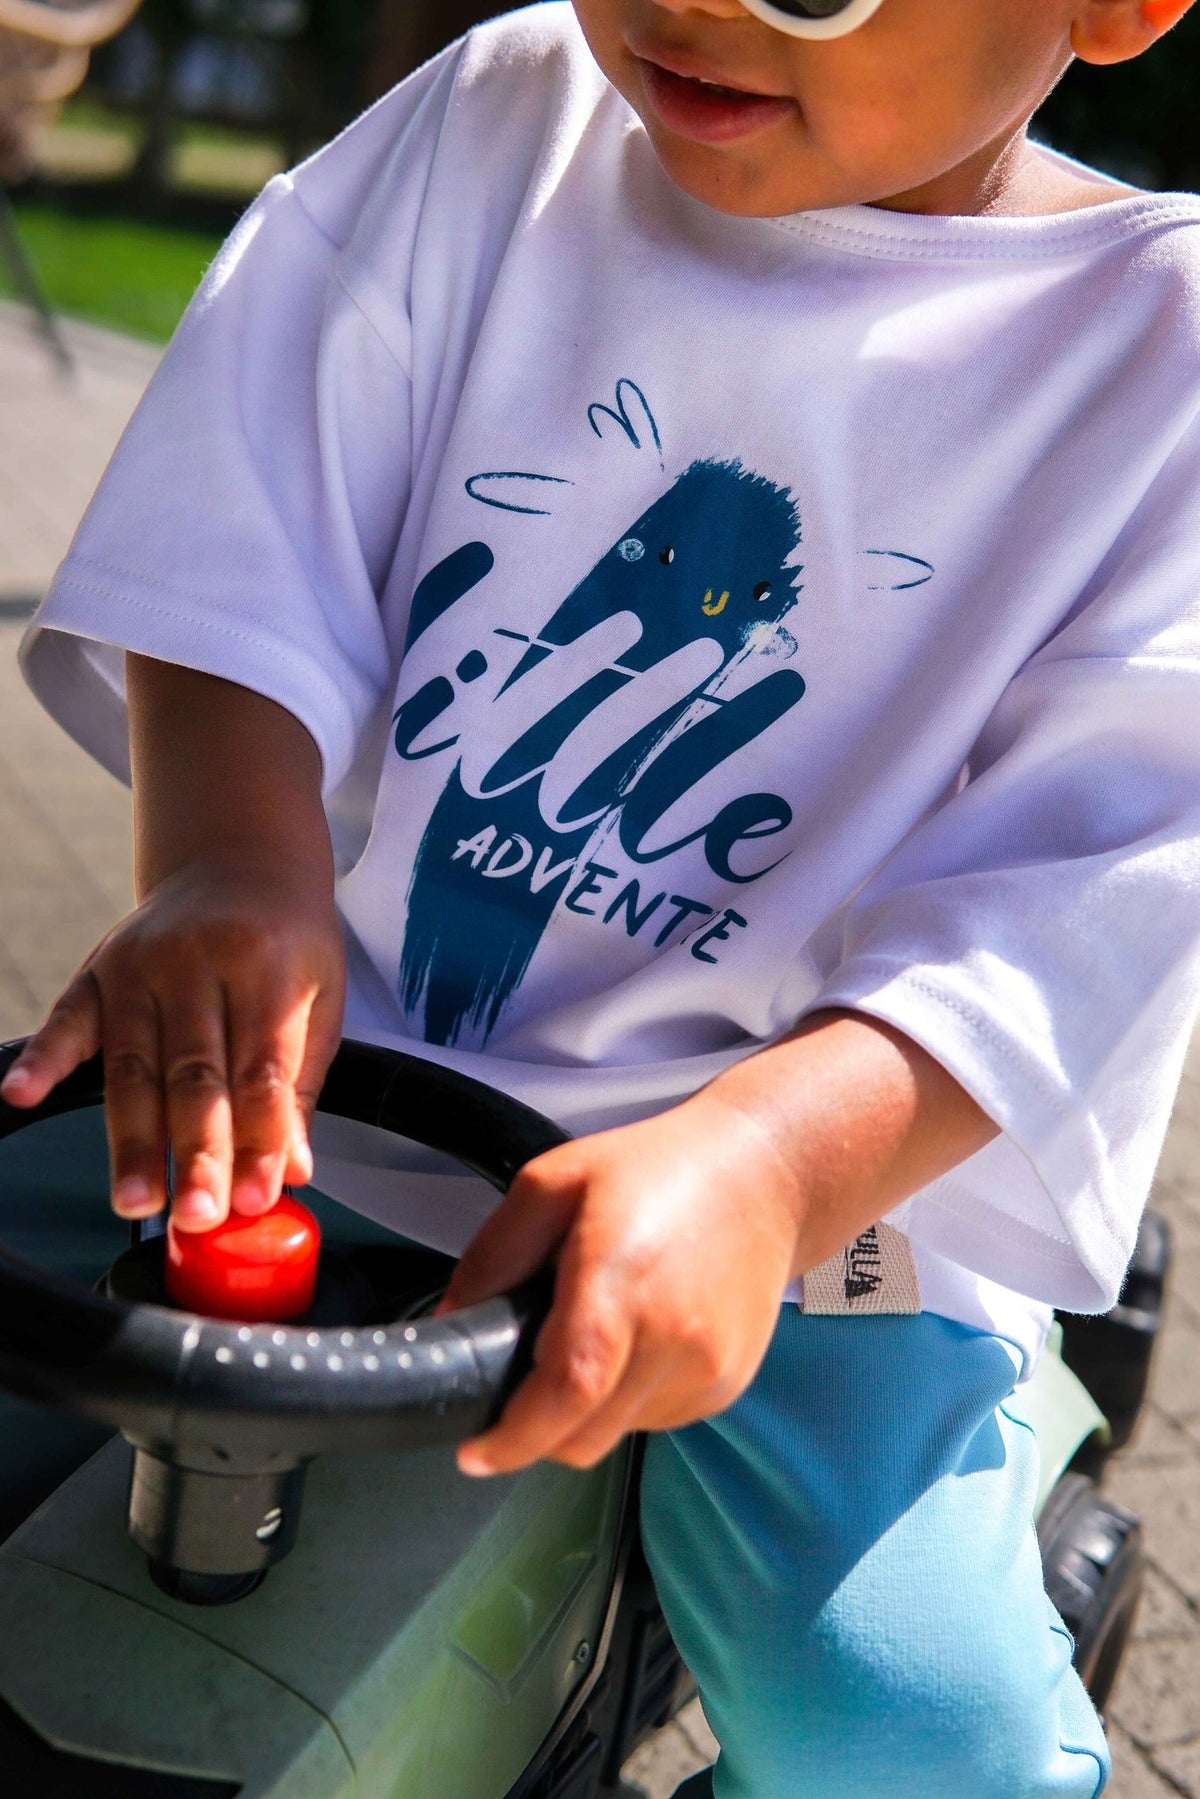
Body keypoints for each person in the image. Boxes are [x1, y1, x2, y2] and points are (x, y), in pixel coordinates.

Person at [8, 0, 1200, 1791]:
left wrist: (771, 1165)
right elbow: (250, 511)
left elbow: (1089, 884)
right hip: (305, 1087)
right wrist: (233, 859)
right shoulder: (507, 121)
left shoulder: (1151, 353)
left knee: (901, 1725)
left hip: (810, 1210)